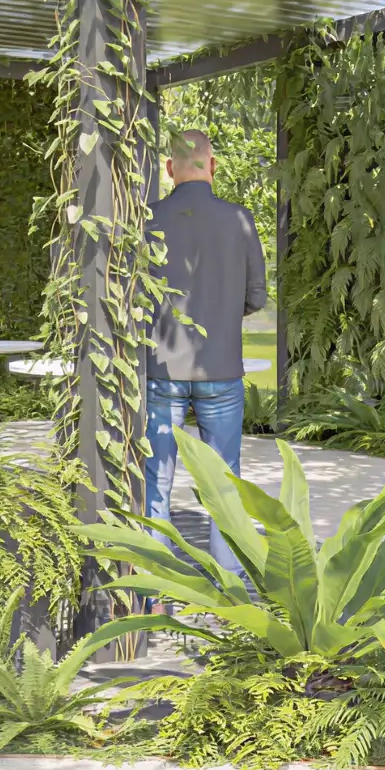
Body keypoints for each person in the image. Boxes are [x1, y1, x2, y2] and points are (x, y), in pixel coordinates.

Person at [144, 129, 265, 574]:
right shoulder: (239, 219)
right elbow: (257, 296)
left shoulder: (147, 219)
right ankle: (229, 591)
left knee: (155, 482)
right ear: (212, 166)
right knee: (224, 483)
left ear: (169, 168)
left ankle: (153, 590)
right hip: (221, 367)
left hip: (161, 368)